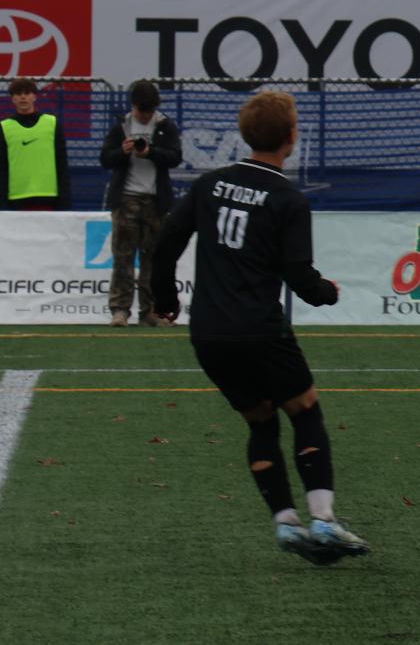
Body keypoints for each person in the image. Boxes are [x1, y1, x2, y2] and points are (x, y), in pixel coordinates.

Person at [151, 90, 368, 565]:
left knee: (260, 419)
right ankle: (325, 520)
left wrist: (166, 299)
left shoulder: (209, 185)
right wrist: (328, 291)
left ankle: (286, 523)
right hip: (261, 330)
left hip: (209, 333)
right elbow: (300, 279)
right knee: (305, 409)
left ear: (245, 136)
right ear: (291, 138)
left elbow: (165, 242)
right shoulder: (288, 199)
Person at [99, 80, 185, 328]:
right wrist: (122, 151)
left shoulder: (165, 126)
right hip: (126, 198)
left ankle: (151, 311)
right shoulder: (121, 127)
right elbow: (105, 158)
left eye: (148, 112)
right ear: (133, 106)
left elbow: (175, 157)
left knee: (153, 259)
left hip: (155, 201)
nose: (145, 116)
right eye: (141, 111)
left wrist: (151, 152)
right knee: (123, 257)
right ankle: (120, 310)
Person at [0, 78, 71, 211]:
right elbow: (1, 167)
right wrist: (1, 203)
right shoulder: (5, 127)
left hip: (48, 198)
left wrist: (64, 199)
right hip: (17, 199)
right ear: (13, 99)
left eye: (27, 93)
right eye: (18, 94)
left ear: (35, 96)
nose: (23, 97)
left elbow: (61, 163)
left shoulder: (52, 123)